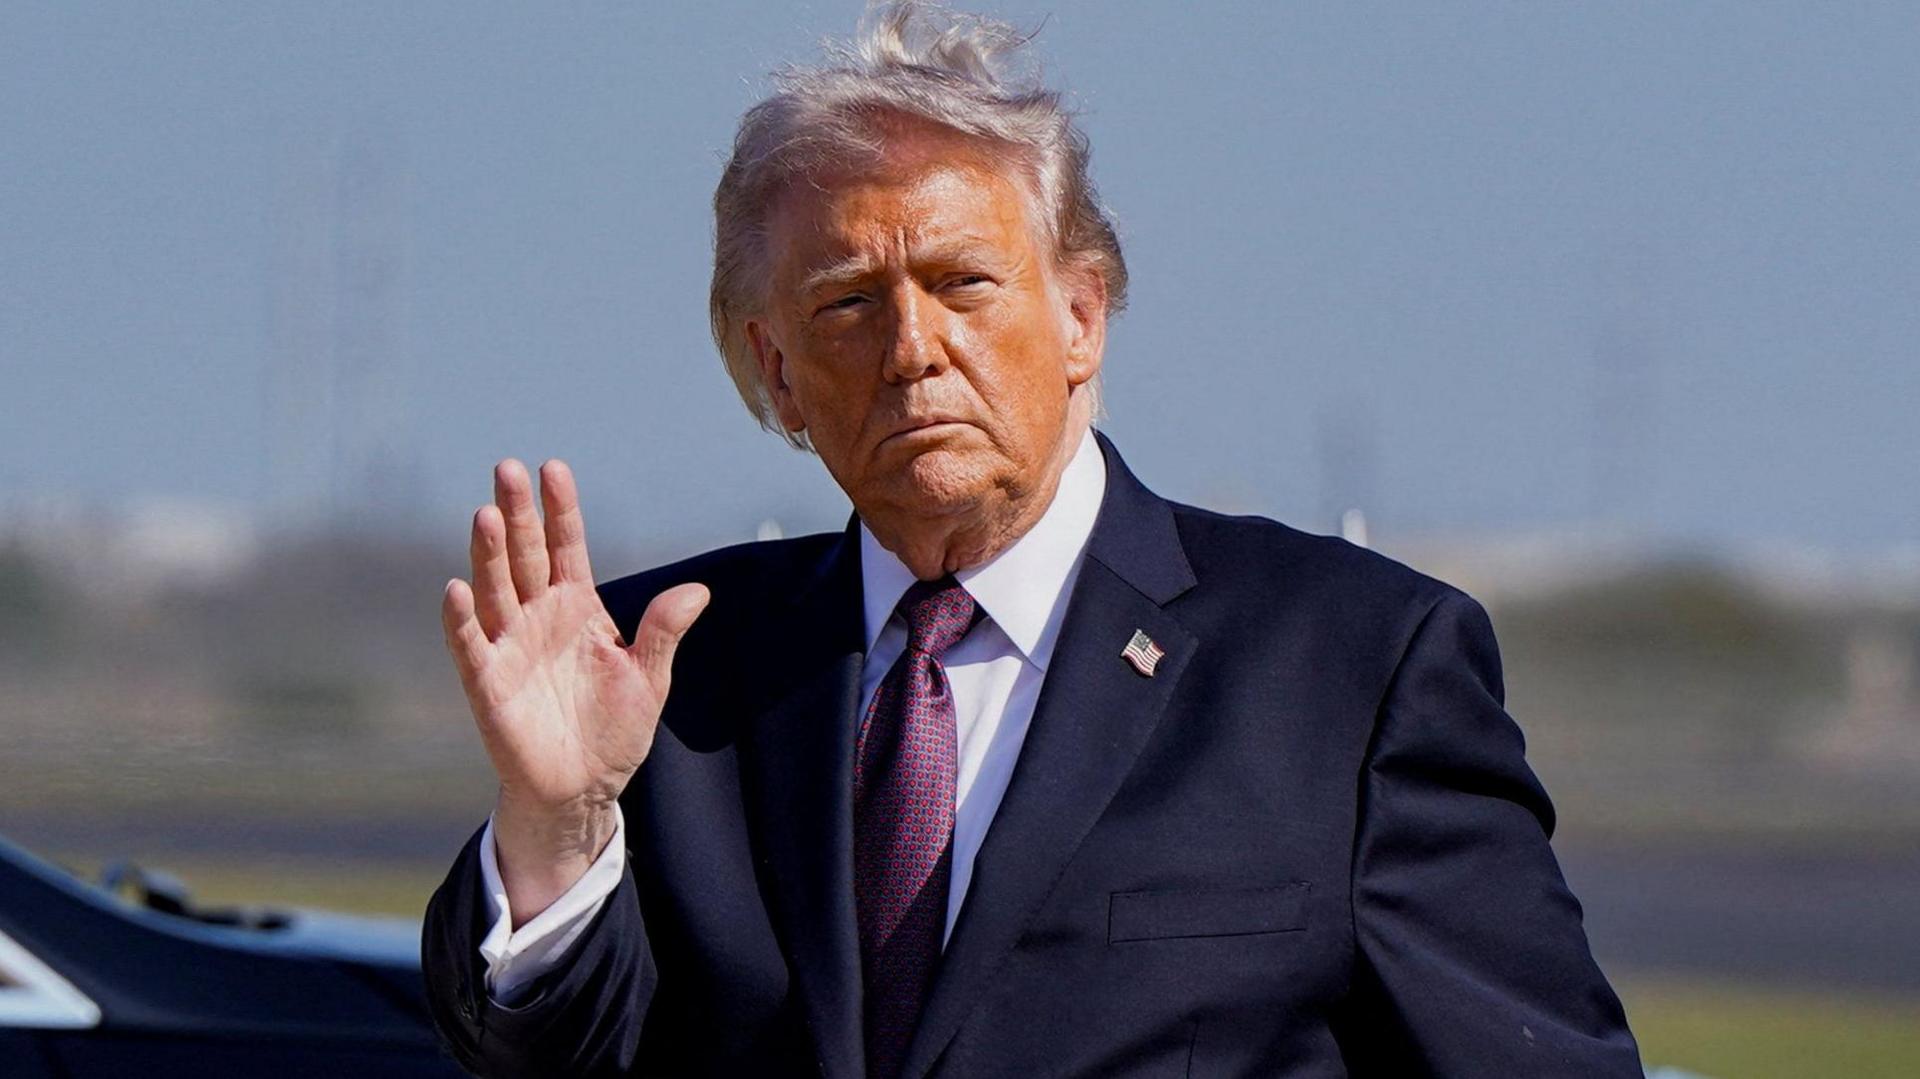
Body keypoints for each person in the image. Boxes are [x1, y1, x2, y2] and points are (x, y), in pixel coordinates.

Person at [421, 3, 1643, 1076]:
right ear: (775, 370)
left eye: (963, 284)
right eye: (848, 301)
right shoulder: (662, 682)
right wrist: (558, 821)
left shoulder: (1349, 667)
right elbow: (547, 1055)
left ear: (1080, 316)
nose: (911, 347)